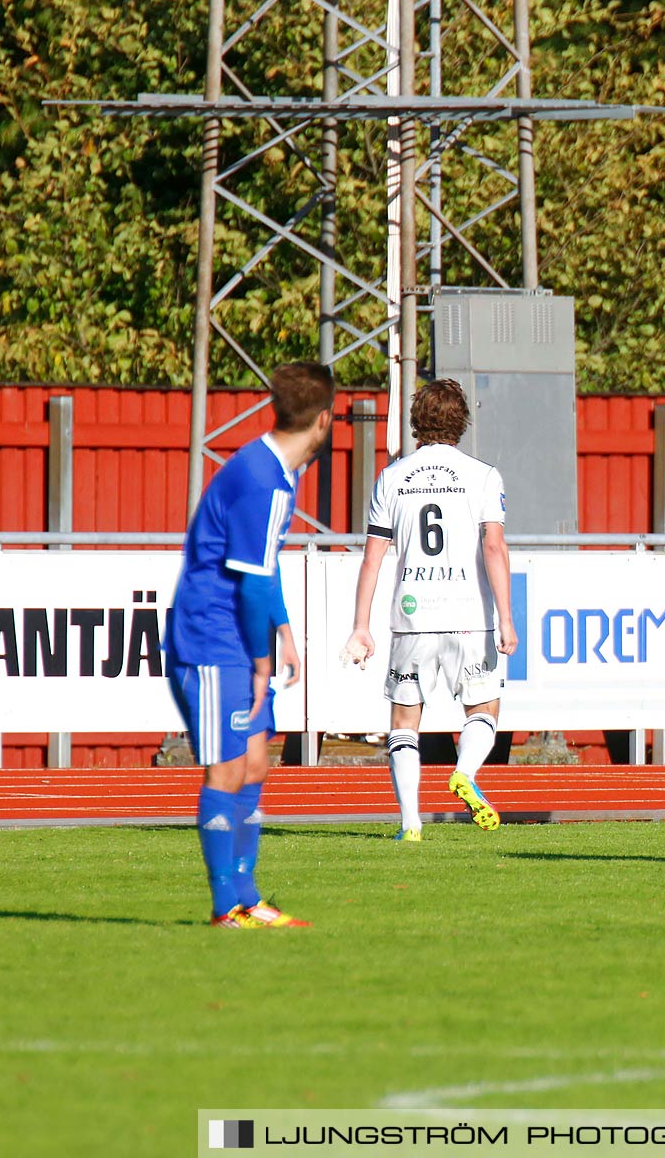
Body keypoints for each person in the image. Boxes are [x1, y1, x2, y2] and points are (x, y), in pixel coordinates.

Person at [165, 361, 335, 927]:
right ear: (325, 420)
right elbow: (253, 577)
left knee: (257, 763)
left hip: (237, 633)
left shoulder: (275, 470)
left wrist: (282, 629)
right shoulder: (261, 478)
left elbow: (263, 566)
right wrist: (264, 661)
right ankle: (224, 907)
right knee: (227, 771)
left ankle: (248, 895)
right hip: (211, 637)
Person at [345, 379, 518, 840]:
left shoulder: (393, 477)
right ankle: (464, 772)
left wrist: (361, 626)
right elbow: (495, 546)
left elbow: (373, 557)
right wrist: (506, 617)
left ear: (416, 421)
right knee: (483, 709)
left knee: (405, 721)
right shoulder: (482, 475)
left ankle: (411, 823)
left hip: (412, 615)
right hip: (468, 615)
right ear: (461, 422)